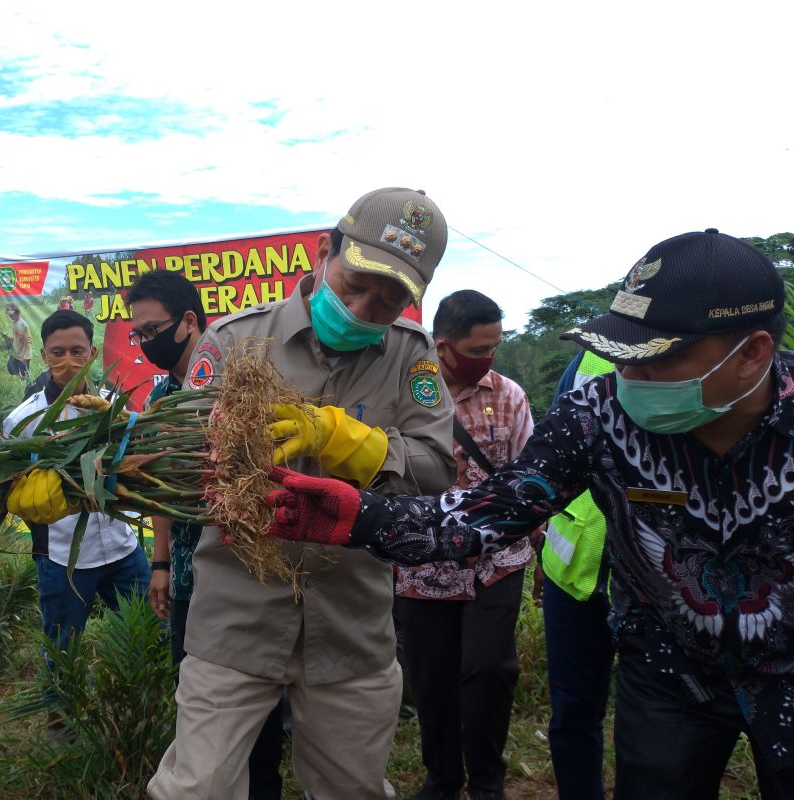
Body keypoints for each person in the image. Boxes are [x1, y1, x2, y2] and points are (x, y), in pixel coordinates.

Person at [265, 229, 794, 799]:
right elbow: (488, 511)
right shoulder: (597, 414)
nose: (628, 380)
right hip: (669, 668)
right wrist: (360, 517)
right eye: (619, 357)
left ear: (753, 355)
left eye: (654, 359)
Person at [145, 187, 457, 799]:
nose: (366, 307)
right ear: (324, 252)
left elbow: (438, 470)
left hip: (351, 627)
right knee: (194, 790)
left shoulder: (410, 358)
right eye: (356, 282)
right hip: (236, 620)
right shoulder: (235, 342)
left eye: (390, 299)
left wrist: (357, 444)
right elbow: (179, 460)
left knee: (352, 791)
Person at [127, 269, 286, 800]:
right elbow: (158, 493)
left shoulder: (234, 387)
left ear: (189, 321)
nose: (145, 343)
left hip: (246, 577)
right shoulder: (159, 400)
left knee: (256, 718)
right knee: (199, 706)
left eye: (151, 331)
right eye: (138, 336)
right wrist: (161, 564)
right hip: (193, 582)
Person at [394, 290, 535, 800]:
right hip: (422, 565)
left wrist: (536, 545)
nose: (488, 360)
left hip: (498, 561)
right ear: (445, 347)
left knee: (489, 667)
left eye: (495, 347)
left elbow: (532, 480)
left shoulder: (510, 396)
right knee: (431, 678)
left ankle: (488, 780)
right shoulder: (407, 395)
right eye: (478, 350)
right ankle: (442, 777)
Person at [3, 309, 152, 734]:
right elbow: (10, 491)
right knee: (62, 645)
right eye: (57, 352)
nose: (67, 360)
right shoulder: (23, 421)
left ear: (91, 354)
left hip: (122, 546)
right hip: (62, 555)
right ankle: (61, 723)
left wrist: (121, 425)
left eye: (77, 351)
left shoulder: (114, 407)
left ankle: (141, 708)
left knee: (145, 631)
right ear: (44, 354)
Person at [539, 350, 615, 800]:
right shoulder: (589, 359)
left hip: (657, 582)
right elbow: (554, 455)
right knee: (573, 713)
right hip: (573, 572)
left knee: (663, 721)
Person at [6, 302, 32, 378]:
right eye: (9, 314)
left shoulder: (23, 324)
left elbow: (29, 340)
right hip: (16, 352)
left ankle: (26, 384)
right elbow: (17, 337)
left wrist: (24, 356)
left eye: (11, 314)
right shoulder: (14, 323)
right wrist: (9, 338)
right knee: (10, 368)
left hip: (24, 354)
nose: (10, 316)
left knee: (25, 375)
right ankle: (20, 378)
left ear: (16, 312)